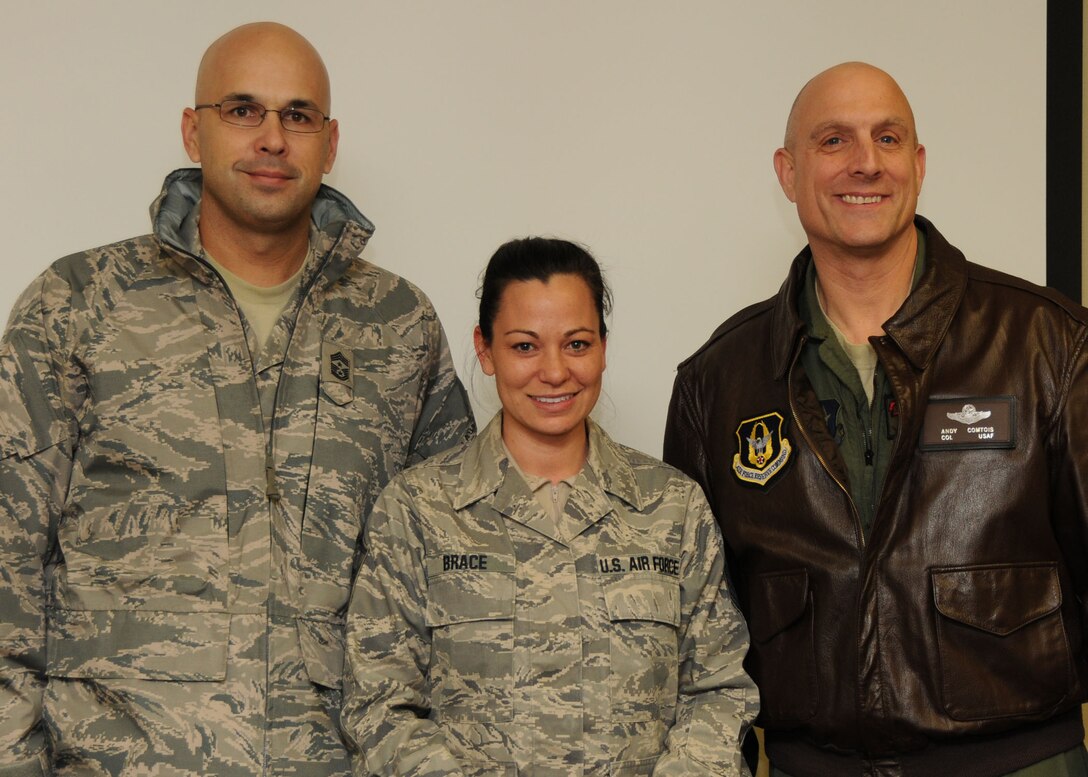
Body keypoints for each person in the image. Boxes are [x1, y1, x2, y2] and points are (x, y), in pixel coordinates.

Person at [0, 21, 474, 776]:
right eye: (243, 110)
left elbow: (454, 575)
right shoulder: (79, 304)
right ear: (194, 130)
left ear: (330, 142)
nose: (272, 138)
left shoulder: (398, 324)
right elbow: (9, 559)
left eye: (298, 115)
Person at [664, 60, 1088, 777]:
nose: (866, 162)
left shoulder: (1049, 344)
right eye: (834, 140)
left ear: (917, 165)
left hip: (1021, 763)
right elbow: (699, 641)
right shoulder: (718, 381)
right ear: (788, 172)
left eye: (887, 139)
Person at [342, 237, 757, 775]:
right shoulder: (417, 509)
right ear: (485, 350)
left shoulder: (672, 507)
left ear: (603, 347)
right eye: (525, 346)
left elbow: (718, 690)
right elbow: (380, 706)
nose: (555, 371)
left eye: (577, 344)